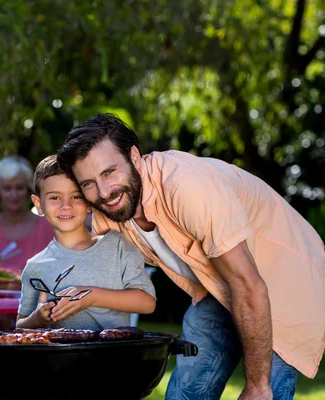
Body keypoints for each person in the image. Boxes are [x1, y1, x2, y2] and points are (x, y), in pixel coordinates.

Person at [57, 113, 325, 400]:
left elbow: (250, 286)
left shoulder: (186, 187)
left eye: (109, 172)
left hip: (279, 286)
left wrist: (257, 387)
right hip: (216, 285)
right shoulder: (112, 209)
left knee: (266, 390)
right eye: (88, 183)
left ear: (135, 157)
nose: (104, 192)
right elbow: (85, 260)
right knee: (185, 393)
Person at [16, 155, 156, 330]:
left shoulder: (119, 245)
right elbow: (20, 329)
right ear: (38, 204)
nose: (66, 205)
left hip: (114, 356)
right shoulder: (35, 267)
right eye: (54, 197)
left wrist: (91, 297)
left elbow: (147, 302)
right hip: (61, 357)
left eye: (76, 197)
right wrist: (37, 319)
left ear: (90, 202)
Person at [0, 155, 54, 274]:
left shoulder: (50, 229)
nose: (14, 195)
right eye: (7, 188)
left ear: (28, 190)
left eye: (19, 188)